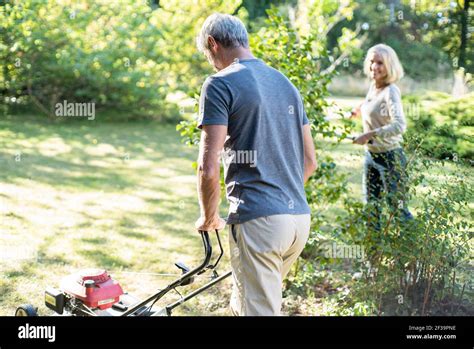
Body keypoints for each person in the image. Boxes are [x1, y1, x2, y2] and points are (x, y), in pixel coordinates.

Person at [194, 13, 317, 316]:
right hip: (298, 221)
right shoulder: (285, 83)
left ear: (213, 44)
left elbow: (208, 168)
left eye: (208, 55)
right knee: (244, 304)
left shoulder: (219, 84)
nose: (212, 62)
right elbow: (310, 161)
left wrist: (208, 217)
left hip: (260, 223)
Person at [352, 44, 413, 232]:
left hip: (390, 158)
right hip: (371, 156)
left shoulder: (391, 91)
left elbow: (399, 125)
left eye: (380, 63)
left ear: (389, 66)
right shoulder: (374, 86)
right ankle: (374, 257)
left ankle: (417, 254)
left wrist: (370, 134)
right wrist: (359, 109)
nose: (374, 67)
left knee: (398, 210)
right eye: (372, 62)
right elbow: (371, 102)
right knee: (372, 209)